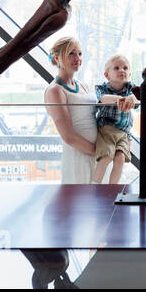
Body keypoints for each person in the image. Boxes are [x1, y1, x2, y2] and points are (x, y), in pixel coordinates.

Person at [44, 37, 97, 183]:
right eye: (71, 54)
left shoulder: (83, 86)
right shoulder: (55, 90)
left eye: (80, 54)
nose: (77, 58)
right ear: (57, 58)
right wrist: (98, 152)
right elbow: (68, 136)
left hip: (97, 155)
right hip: (79, 157)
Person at [92, 55, 138, 184]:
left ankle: (113, 188)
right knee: (106, 157)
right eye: (116, 68)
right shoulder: (102, 88)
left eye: (125, 68)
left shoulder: (131, 88)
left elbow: (139, 97)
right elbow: (103, 98)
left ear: (129, 73)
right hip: (107, 129)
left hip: (123, 132)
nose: (122, 70)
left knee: (120, 158)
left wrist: (132, 99)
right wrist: (121, 99)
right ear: (107, 75)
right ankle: (94, 186)